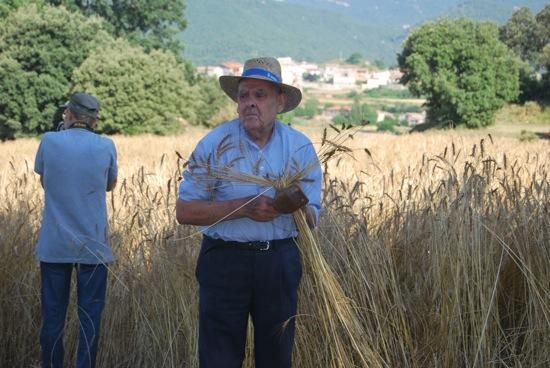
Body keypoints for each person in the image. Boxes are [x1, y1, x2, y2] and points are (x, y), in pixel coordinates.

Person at [176, 57, 322, 368]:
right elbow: (184, 211)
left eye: (260, 95)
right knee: (219, 359)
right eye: (244, 95)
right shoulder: (214, 144)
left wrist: (296, 207)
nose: (250, 103)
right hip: (224, 261)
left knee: (276, 358)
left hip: (279, 262)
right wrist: (241, 208)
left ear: (280, 102)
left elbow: (312, 220)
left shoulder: (299, 148)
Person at [34, 92, 118, 368]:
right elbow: (109, 185)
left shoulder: (49, 141)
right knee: (90, 318)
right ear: (94, 120)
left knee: (53, 316)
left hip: (55, 244)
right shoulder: (107, 146)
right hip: (94, 246)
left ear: (69, 114)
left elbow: (45, 180)